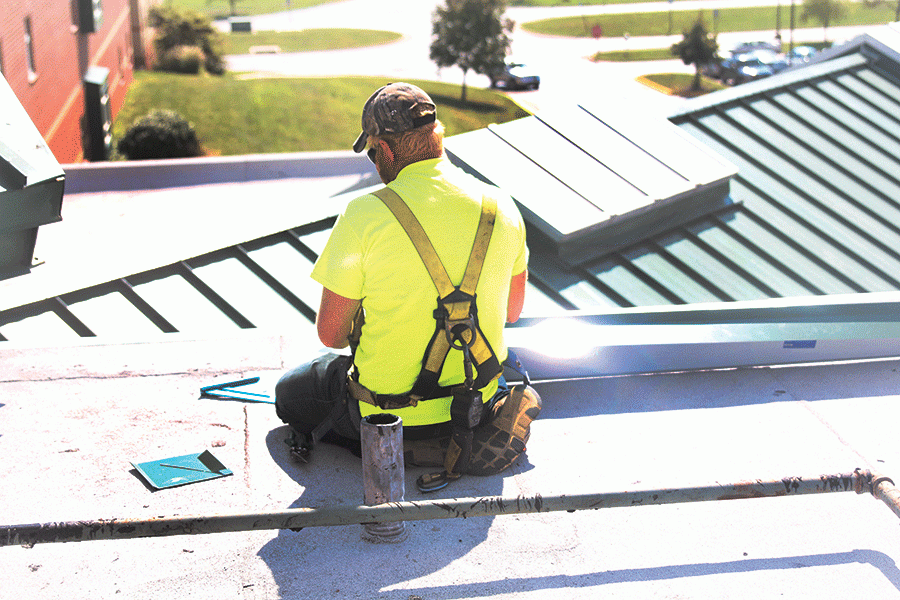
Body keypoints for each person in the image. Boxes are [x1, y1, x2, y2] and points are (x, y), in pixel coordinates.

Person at [274, 82, 540, 490]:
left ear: (387, 150)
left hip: (388, 422)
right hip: (475, 410)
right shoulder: (501, 205)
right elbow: (512, 312)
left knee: (291, 390)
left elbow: (330, 334)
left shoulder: (363, 214)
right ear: (438, 135)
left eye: (372, 153)